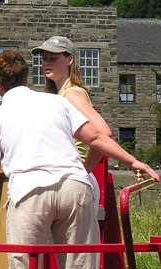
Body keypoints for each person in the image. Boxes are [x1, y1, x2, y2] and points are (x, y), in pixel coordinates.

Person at [0, 50, 161, 269]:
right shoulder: (57, 103)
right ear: (26, 77)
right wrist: (133, 161)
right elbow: (96, 137)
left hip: (29, 192)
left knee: (24, 268)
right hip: (74, 187)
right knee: (80, 265)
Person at [33, 35, 109, 171]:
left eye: (53, 58)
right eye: (44, 58)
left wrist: (86, 170)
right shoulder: (59, 95)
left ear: (70, 60)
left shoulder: (72, 94)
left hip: (69, 172)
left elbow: (103, 133)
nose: (46, 63)